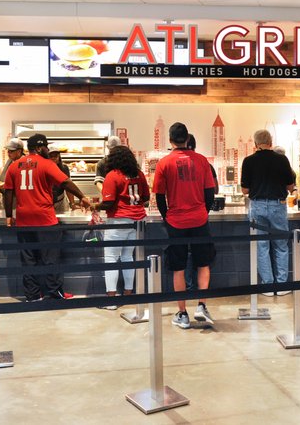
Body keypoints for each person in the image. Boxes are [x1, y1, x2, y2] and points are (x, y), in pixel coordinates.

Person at [3, 134, 93, 301]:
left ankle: (32, 295)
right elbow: (65, 183)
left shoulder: (14, 166)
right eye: (45, 147)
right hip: (45, 218)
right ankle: (54, 293)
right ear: (39, 148)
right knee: (50, 258)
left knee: (28, 258)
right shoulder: (47, 164)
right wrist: (82, 197)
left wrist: (9, 215)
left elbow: (8, 192)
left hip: (23, 219)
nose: (47, 150)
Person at [153, 122, 217, 328]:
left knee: (178, 268)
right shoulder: (202, 161)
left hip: (176, 221)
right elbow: (210, 193)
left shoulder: (164, 163)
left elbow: (160, 196)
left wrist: (167, 217)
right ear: (187, 139)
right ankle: (201, 306)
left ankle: (182, 314)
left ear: (170, 140)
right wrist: (202, 212)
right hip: (199, 219)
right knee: (203, 263)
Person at [93, 145, 150, 309]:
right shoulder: (139, 174)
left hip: (118, 222)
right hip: (137, 221)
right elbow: (145, 198)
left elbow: (108, 202)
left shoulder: (113, 175)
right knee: (128, 257)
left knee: (111, 258)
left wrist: (95, 206)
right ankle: (128, 294)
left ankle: (111, 300)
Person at [240, 129, 295, 293]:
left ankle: (268, 285)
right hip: (278, 205)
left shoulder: (248, 161)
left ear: (256, 144)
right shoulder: (282, 159)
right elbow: (290, 186)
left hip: (257, 205)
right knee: (281, 246)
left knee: (261, 246)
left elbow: (244, 190)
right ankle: (282, 285)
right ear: (270, 142)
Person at [184, 133, 218, 290]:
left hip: (179, 218)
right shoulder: (205, 163)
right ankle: (201, 291)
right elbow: (213, 190)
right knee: (202, 255)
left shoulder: (172, 163)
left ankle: (189, 287)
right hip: (200, 217)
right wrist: (205, 210)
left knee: (186, 253)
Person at [47, 148, 75, 214]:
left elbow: (68, 186)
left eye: (56, 156)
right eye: (51, 156)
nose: (54, 158)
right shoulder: (43, 168)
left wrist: (72, 203)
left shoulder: (64, 168)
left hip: (61, 201)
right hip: (47, 202)